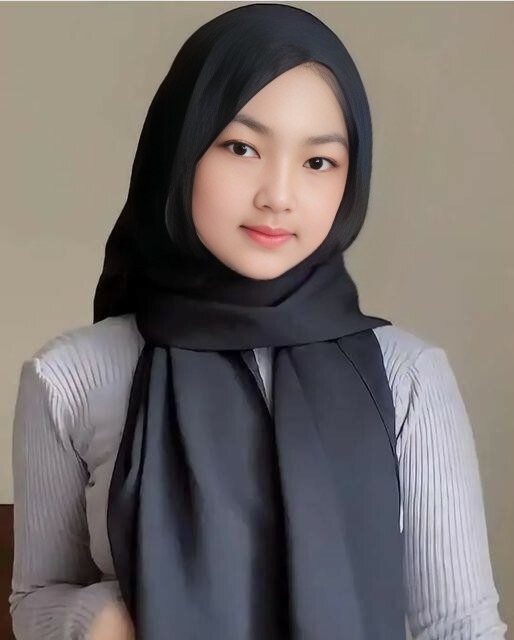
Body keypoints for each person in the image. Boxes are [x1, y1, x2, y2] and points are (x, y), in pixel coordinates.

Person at [9, 4, 508, 640]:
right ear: (179, 150)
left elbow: (461, 627)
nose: (278, 194)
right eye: (241, 147)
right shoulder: (71, 378)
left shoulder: (408, 377)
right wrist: (99, 618)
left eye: (318, 162)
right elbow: (34, 598)